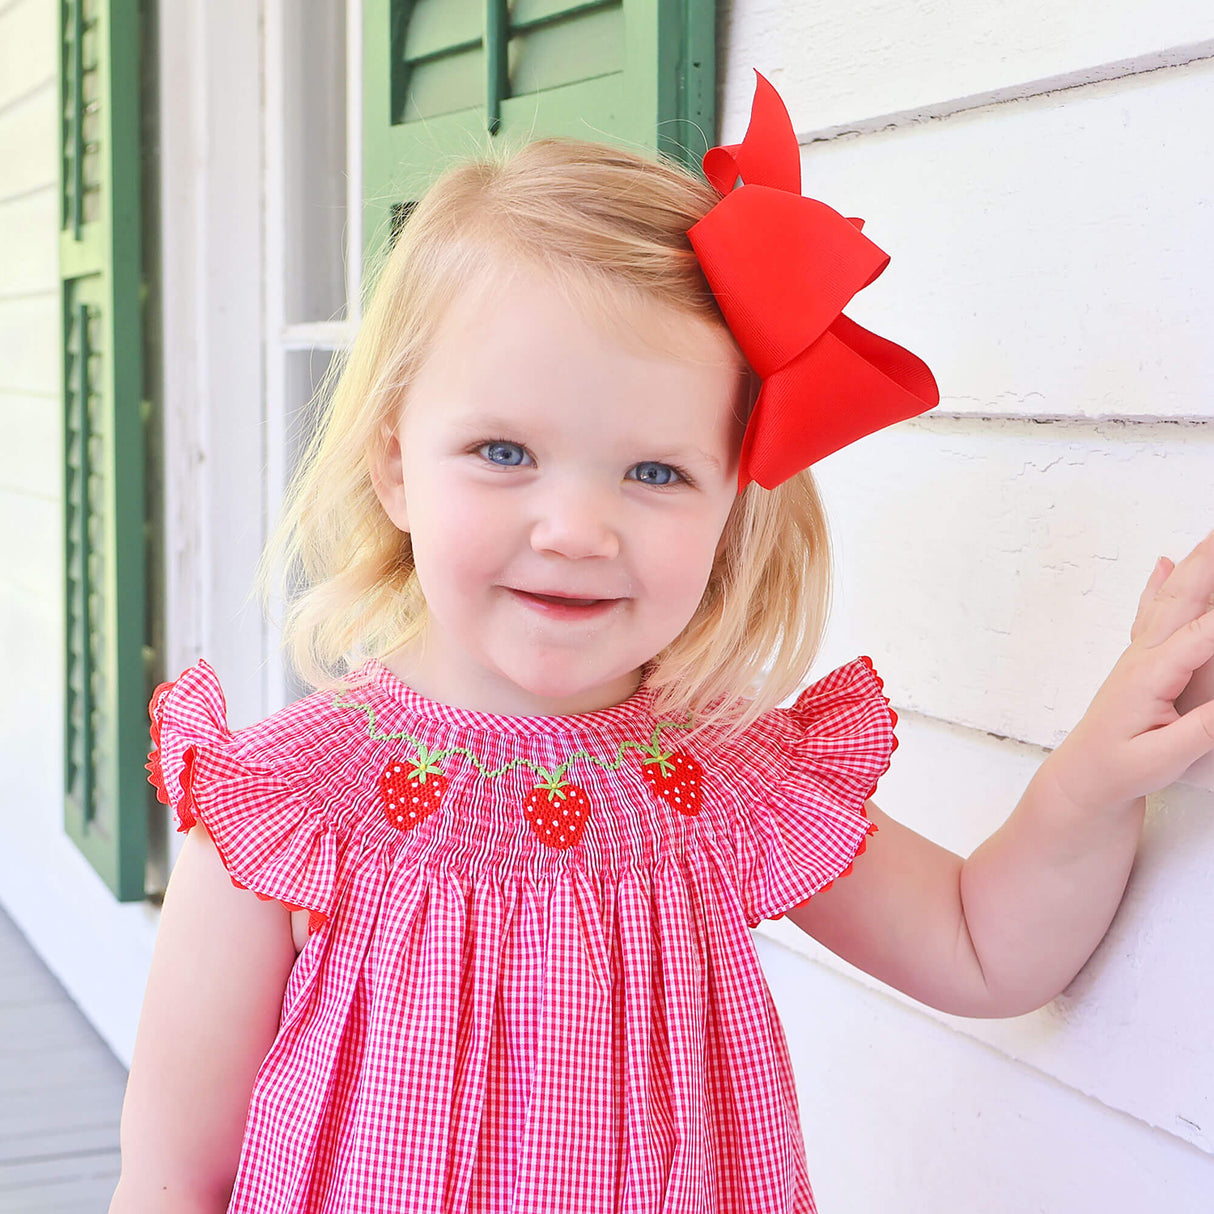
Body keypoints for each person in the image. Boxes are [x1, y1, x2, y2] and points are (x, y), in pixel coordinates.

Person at [109, 73, 1214, 1214]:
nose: (576, 530)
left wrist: (1095, 775)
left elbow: (980, 946)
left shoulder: (727, 775)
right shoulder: (288, 806)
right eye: (502, 452)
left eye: (654, 471)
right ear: (396, 467)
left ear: (732, 501)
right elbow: (174, 1178)